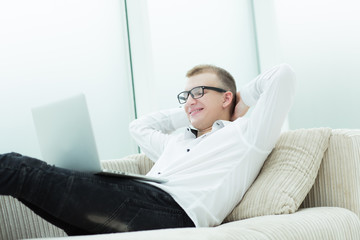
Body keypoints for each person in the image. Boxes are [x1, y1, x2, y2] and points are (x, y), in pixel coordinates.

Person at [0, 63, 296, 235]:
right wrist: (194, 110)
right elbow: (139, 126)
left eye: (198, 92)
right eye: (185, 95)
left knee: (19, 169)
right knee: (26, 185)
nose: (189, 100)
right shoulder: (177, 141)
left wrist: (237, 105)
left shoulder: (246, 135)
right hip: (138, 199)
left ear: (226, 97)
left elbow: (281, 75)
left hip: (173, 213)